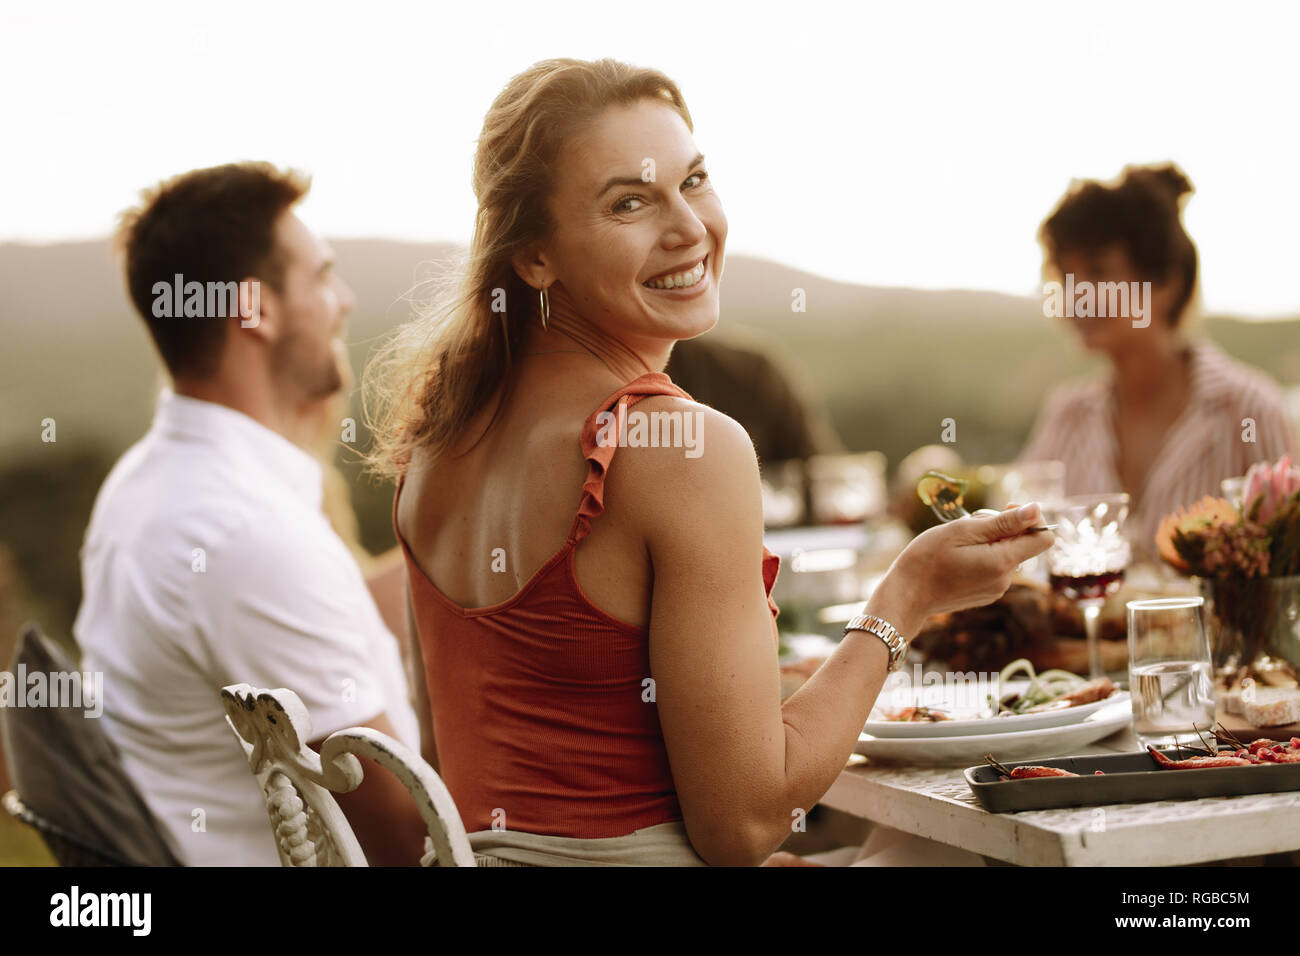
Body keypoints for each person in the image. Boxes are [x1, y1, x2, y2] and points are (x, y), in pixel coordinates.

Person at [365, 58, 1052, 867]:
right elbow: (746, 826)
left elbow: (471, 756)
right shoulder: (684, 448)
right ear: (534, 256)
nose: (688, 226)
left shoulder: (435, 440)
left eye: (693, 181)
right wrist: (907, 596)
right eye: (629, 202)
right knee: (972, 849)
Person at [76, 163, 426, 865]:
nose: (344, 299)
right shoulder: (245, 533)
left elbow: (321, 611)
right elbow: (405, 832)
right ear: (253, 310)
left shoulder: (153, 481)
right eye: (322, 276)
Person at [1021, 163, 1298, 558]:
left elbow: (1286, 581)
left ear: (1165, 282)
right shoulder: (1066, 415)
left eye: (1098, 273)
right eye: (1066, 275)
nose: (1075, 295)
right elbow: (1017, 547)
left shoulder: (1249, 412)